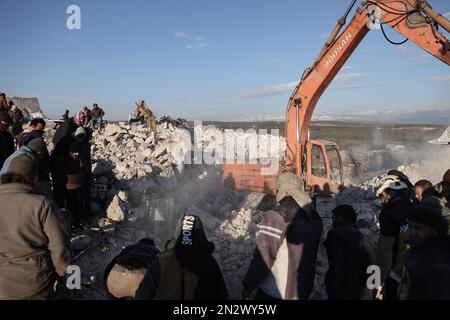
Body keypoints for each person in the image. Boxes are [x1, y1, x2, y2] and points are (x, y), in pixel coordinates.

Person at [0, 154, 71, 299]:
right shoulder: (43, 205)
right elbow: (61, 250)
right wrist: (69, 285)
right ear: (33, 178)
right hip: (35, 286)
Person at [242, 173, 323, 300]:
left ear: (282, 190)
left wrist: (249, 284)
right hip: (302, 289)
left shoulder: (277, 216)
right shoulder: (314, 217)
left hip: (276, 290)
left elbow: (264, 256)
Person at [136, 215, 228, 300]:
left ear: (178, 233)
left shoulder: (163, 260)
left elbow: (143, 294)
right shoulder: (209, 262)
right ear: (200, 236)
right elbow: (222, 294)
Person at [324, 204, 375, 300]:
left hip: (345, 291)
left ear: (340, 217)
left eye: (333, 218)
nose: (332, 223)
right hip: (358, 290)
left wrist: (335, 293)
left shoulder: (336, 234)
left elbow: (338, 266)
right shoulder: (361, 236)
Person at [376, 175, 413, 300]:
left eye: (381, 195)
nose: (380, 200)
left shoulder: (388, 215)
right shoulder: (415, 208)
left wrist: (379, 281)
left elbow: (385, 254)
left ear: (389, 193)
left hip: (395, 275)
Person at [405, 197, 450, 299]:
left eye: (418, 228)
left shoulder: (440, 265)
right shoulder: (418, 250)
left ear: (434, 230)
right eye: (410, 226)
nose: (412, 232)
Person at [53, 141, 86, 227]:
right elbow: (59, 174)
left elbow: (83, 169)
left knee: (77, 204)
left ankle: (77, 222)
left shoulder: (80, 158)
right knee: (69, 205)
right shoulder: (64, 160)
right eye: (74, 152)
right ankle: (69, 223)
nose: (76, 154)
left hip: (78, 185)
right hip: (67, 186)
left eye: (78, 152)